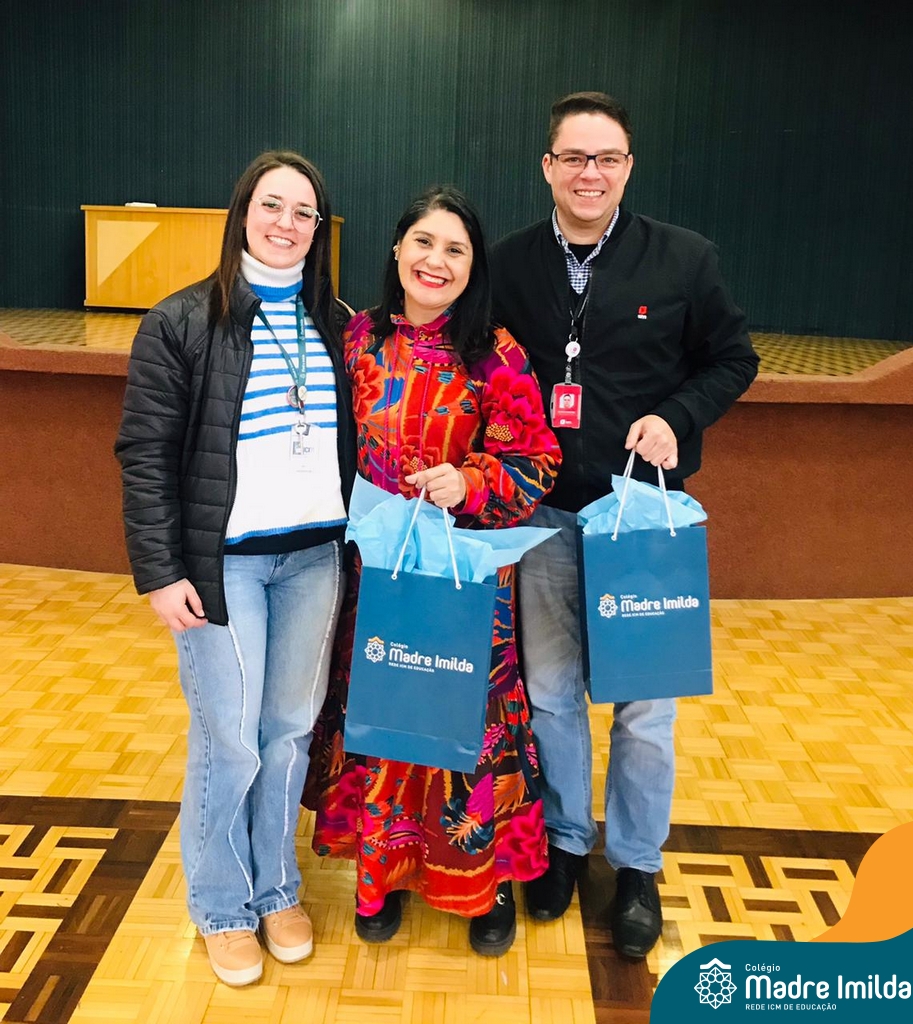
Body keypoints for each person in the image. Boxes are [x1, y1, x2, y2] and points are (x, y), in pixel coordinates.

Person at [490, 92, 759, 959]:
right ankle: (566, 844)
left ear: (628, 168)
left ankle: (637, 865)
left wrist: (679, 417)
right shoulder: (508, 264)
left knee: (645, 709)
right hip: (543, 516)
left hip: (642, 523)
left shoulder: (685, 258)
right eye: (574, 157)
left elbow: (734, 359)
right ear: (548, 167)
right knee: (553, 694)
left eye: (606, 158)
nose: (590, 173)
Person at [115, 151, 356, 986]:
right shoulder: (181, 321)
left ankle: (276, 885)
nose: (287, 224)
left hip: (314, 560)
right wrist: (159, 570)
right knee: (230, 738)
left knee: (287, 733)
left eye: (304, 212)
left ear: (319, 229)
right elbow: (145, 455)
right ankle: (222, 903)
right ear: (242, 212)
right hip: (223, 569)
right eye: (272, 205)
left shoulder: (339, 324)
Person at [305, 185, 561, 957]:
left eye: (455, 249)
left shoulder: (496, 355)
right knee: (386, 715)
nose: (436, 261)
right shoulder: (359, 339)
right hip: (379, 576)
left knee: (465, 730)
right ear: (396, 250)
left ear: (473, 265)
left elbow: (537, 460)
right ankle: (379, 878)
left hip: (462, 582)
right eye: (423, 242)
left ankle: (487, 887)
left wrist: (471, 480)